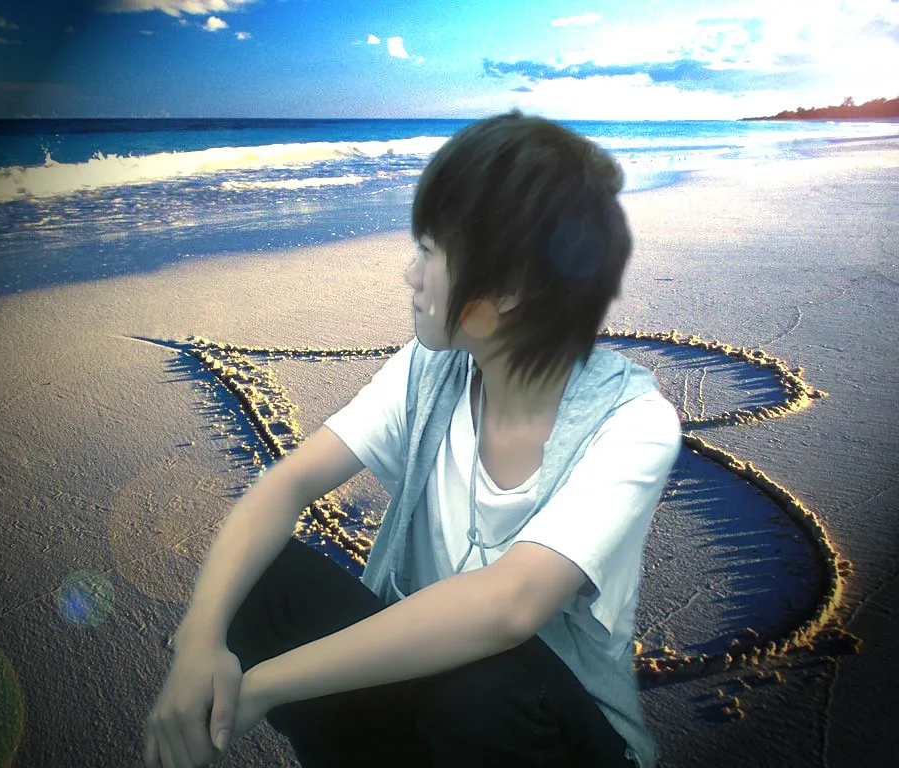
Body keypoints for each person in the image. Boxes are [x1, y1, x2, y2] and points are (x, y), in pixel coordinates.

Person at [144, 110, 682, 768]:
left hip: (556, 736)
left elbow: (509, 606)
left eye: (430, 251)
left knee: (479, 685)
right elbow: (286, 485)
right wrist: (201, 639)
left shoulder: (632, 422)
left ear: (508, 285)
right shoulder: (431, 370)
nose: (411, 273)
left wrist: (260, 686)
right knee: (266, 583)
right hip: (426, 706)